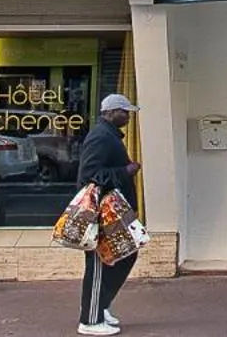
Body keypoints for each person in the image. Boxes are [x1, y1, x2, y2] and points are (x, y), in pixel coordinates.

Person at [76, 92, 142, 336]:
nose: (127, 117)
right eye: (125, 112)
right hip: (102, 211)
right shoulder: (101, 137)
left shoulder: (109, 135)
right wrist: (126, 171)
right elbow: (89, 175)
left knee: (126, 253)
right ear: (111, 112)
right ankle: (90, 320)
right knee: (100, 263)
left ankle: (100, 306)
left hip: (114, 210)